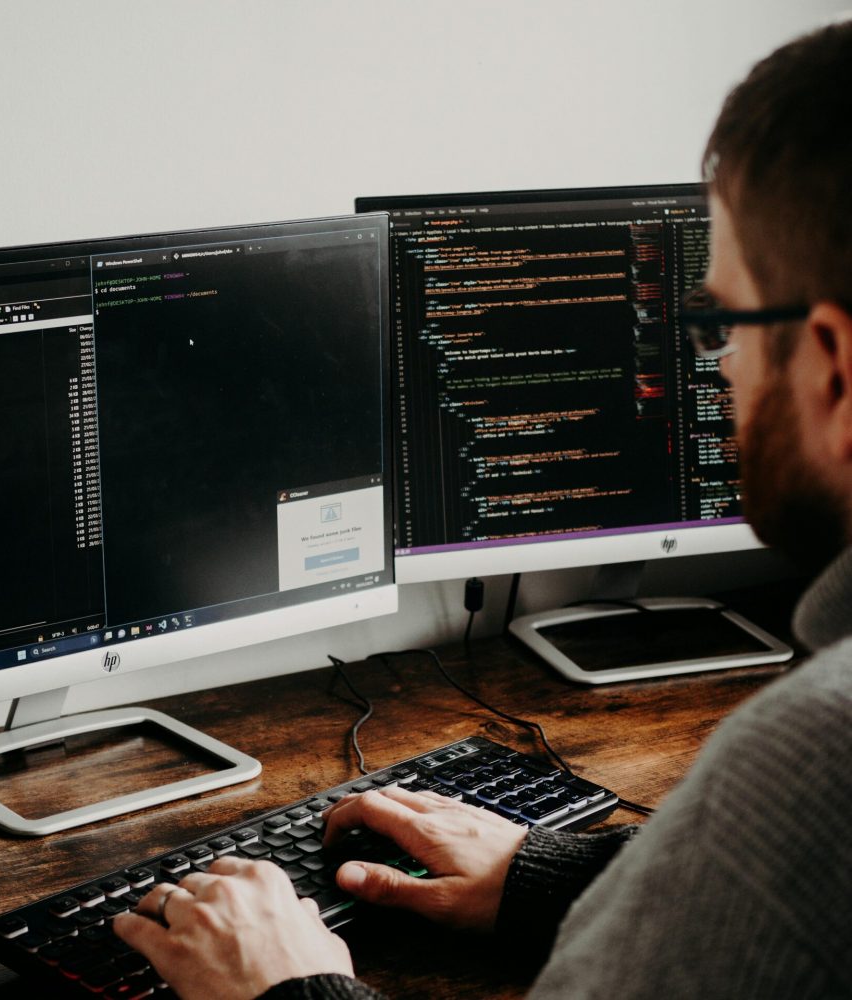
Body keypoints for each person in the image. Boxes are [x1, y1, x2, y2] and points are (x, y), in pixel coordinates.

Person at [114, 20, 852, 998]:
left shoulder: (813, 758)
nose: (717, 371)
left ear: (834, 369)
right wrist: (543, 876)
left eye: (727, 322)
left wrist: (288, 989)